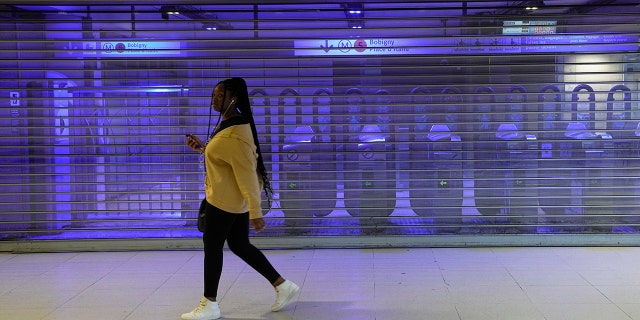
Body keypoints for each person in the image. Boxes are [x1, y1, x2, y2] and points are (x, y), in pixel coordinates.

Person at [182, 78, 299, 320]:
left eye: (219, 95)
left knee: (212, 247)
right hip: (230, 198)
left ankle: (210, 304)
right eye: (213, 94)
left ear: (233, 98)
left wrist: (256, 210)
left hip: (225, 201)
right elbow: (226, 158)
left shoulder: (236, 132)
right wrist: (204, 149)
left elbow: (246, 172)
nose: (214, 99)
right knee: (238, 244)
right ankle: (282, 285)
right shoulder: (227, 124)